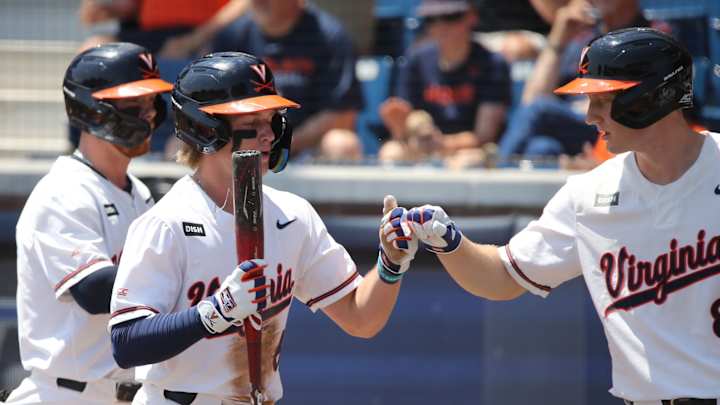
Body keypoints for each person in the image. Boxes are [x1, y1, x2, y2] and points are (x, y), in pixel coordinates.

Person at [396, 28, 720, 404]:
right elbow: (503, 277)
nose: (590, 116)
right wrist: (448, 240)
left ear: (652, 95)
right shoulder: (589, 194)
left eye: (603, 99)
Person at [108, 52, 415, 405]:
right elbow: (126, 342)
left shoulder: (292, 215)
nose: (269, 135)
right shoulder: (167, 222)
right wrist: (215, 312)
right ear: (205, 128)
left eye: (272, 120)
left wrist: (390, 264)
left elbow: (361, 319)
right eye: (252, 121)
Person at [7, 43, 173, 404]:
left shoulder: (139, 192)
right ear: (93, 110)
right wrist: (190, 280)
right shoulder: (64, 190)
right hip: (68, 393)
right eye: (135, 105)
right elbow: (95, 291)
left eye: (151, 104)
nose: (148, 116)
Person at [497, 0, 649, 162]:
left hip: (607, 126)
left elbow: (639, 102)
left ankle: (497, 165)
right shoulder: (582, 38)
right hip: (572, 125)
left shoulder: (648, 39)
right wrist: (558, 38)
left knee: (540, 109)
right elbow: (531, 98)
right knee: (542, 147)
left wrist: (594, 103)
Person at [212, 0, 365, 160]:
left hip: (306, 147)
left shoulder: (329, 35)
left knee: (341, 144)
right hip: (245, 141)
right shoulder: (233, 36)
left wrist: (283, 143)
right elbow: (214, 106)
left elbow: (342, 115)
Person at [379, 0, 511, 165]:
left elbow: (484, 136)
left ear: (472, 17)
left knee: (467, 162)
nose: (441, 26)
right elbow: (410, 123)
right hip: (425, 147)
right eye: (431, 19)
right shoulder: (417, 59)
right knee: (392, 152)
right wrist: (400, 126)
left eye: (451, 17)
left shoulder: (492, 64)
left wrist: (442, 144)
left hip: (472, 151)